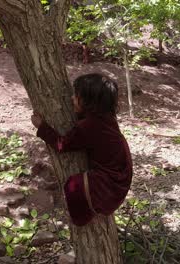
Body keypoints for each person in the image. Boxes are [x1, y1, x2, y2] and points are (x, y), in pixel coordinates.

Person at [31, 73, 133, 226]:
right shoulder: (106, 118)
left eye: (77, 96)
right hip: (120, 181)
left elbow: (62, 145)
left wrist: (42, 127)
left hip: (110, 185)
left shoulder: (89, 126)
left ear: (90, 103)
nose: (72, 99)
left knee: (73, 185)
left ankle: (80, 220)